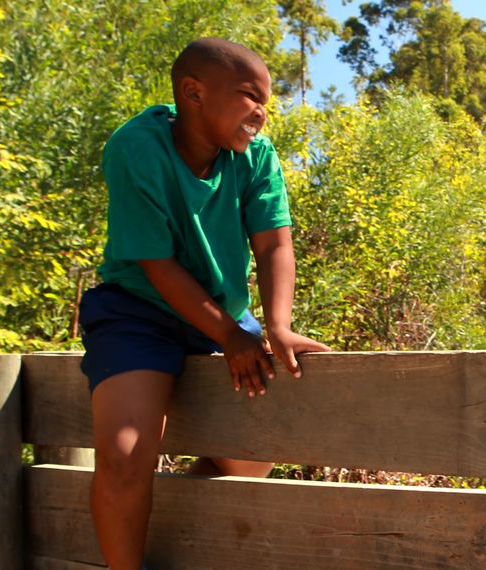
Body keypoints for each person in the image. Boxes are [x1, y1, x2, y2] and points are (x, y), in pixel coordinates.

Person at [77, 38, 330, 570]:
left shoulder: (256, 157)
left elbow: (274, 243)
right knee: (126, 456)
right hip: (137, 312)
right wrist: (231, 337)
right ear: (193, 92)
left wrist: (276, 327)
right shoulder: (136, 148)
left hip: (221, 312)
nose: (261, 111)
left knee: (252, 454)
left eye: (266, 100)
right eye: (247, 95)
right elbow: (157, 262)